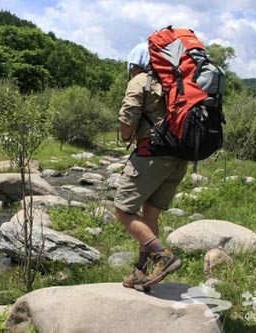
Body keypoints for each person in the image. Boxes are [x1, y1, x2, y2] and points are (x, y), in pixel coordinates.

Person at [114, 42, 188, 292]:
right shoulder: (178, 83)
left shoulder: (142, 80)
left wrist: (125, 135)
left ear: (136, 64)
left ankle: (163, 255)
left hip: (152, 154)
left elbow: (128, 116)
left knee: (122, 210)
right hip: (179, 157)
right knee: (150, 214)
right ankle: (140, 272)